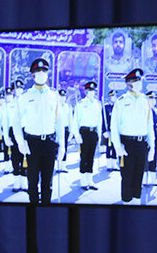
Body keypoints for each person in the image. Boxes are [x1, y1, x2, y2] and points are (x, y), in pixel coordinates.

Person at [13, 58, 65, 204]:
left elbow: (59, 122)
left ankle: (46, 209)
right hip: (32, 143)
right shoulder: (26, 96)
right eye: (38, 71)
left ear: (47, 74)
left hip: (49, 142)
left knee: (48, 181)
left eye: (44, 71)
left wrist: (62, 145)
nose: (41, 73)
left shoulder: (54, 95)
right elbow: (16, 121)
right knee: (33, 180)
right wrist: (20, 141)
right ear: (32, 75)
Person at [110, 68, 155, 203]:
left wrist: (152, 146)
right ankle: (126, 203)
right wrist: (118, 147)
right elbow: (114, 127)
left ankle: (136, 202)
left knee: (139, 176)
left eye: (139, 80)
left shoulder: (145, 100)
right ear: (128, 83)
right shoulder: (121, 101)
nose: (139, 83)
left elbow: (150, 125)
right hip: (126, 144)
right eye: (136, 80)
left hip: (142, 143)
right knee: (127, 177)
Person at [71, 81, 103, 189]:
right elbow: (75, 121)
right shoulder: (80, 104)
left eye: (93, 90)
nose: (92, 92)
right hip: (84, 133)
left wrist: (99, 135)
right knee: (84, 156)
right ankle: (83, 181)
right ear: (85, 91)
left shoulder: (97, 104)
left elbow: (99, 121)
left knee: (91, 157)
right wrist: (77, 135)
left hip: (93, 132)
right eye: (89, 90)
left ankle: (90, 180)